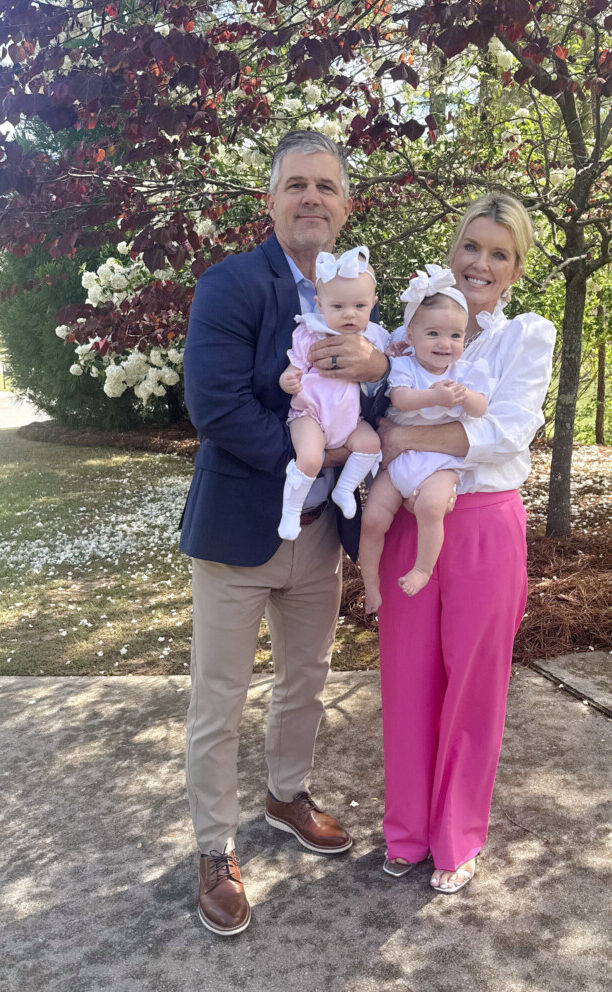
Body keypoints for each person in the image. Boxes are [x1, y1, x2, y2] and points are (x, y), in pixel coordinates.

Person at [180, 130, 388, 935]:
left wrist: (376, 378)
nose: (312, 198)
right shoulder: (231, 285)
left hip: (321, 535)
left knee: (306, 677)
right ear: (272, 201)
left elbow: (389, 394)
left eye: (326, 187)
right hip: (240, 527)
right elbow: (217, 405)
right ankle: (212, 846)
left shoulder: (360, 293)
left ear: (344, 206)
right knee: (219, 698)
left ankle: (285, 794)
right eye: (296, 184)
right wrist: (322, 456)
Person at [375, 191, 557, 893]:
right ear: (453, 254)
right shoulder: (413, 327)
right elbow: (376, 395)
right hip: (411, 527)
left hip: (484, 525)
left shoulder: (527, 336)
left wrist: (403, 437)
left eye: (499, 254)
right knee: (407, 678)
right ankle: (408, 833)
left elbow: (505, 432)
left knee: (474, 686)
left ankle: (456, 838)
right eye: (472, 248)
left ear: (515, 269)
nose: (481, 264)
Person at [359, 266, 492, 613]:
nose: (444, 344)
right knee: (372, 519)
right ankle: (370, 585)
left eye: (455, 335)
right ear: (412, 335)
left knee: (432, 507)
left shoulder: (465, 372)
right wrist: (434, 397)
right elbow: (400, 400)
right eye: (433, 333)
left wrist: (465, 397)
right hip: (399, 461)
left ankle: (422, 568)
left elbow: (481, 409)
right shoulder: (404, 366)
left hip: (438, 462)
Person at [277, 246, 387, 540]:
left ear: (372, 303)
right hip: (310, 414)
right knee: (310, 458)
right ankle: (291, 512)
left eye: (359, 307)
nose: (349, 314)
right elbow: (296, 363)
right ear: (320, 304)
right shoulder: (310, 331)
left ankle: (345, 488)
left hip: (349, 419)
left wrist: (393, 354)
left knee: (370, 443)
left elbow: (391, 360)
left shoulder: (374, 336)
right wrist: (289, 377)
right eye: (338, 307)